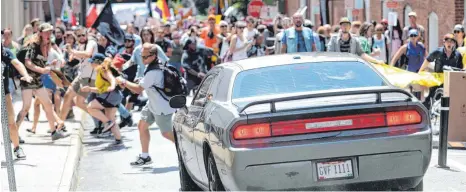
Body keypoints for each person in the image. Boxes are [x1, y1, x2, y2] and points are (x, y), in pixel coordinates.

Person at [116, 43, 178, 166]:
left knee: (166, 133)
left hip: (161, 107)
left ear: (154, 55)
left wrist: (124, 81)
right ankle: (145, 156)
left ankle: (185, 149)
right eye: (141, 56)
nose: (143, 59)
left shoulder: (154, 71)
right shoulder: (151, 65)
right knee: (142, 126)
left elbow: (139, 89)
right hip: (152, 103)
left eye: (145, 57)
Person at [15, 23, 68, 140]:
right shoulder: (33, 46)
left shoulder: (46, 46)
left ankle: (54, 132)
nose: (49, 34)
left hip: (38, 80)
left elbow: (40, 63)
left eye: (50, 32)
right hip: (28, 79)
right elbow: (28, 62)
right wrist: (42, 70)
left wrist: (49, 65)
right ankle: (13, 133)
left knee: (48, 104)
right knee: (26, 108)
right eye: (46, 32)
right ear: (40, 33)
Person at [82, 54, 123, 143]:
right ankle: (118, 139)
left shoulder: (103, 70)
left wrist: (112, 86)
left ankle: (107, 123)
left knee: (90, 107)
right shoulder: (99, 72)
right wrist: (89, 88)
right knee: (111, 118)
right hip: (114, 96)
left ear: (97, 62)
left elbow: (112, 79)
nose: (91, 64)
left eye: (92, 62)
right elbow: (101, 89)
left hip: (110, 95)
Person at [2, 46, 33, 158]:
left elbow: (17, 63)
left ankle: (17, 148)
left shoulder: (5, 53)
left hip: (4, 94)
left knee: (11, 124)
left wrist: (26, 75)